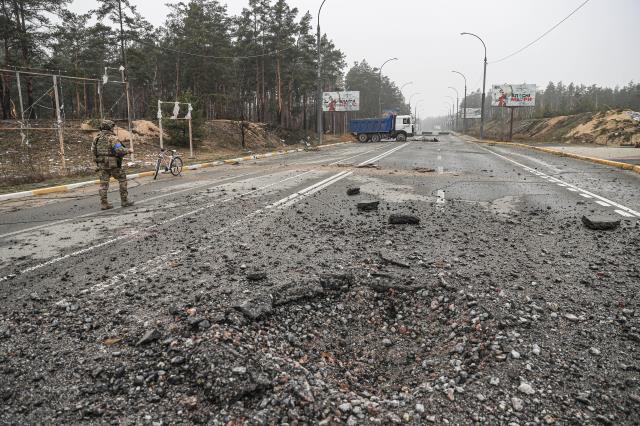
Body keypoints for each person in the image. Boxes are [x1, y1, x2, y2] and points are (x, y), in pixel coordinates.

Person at [91, 120, 134, 210]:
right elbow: (119, 150)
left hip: (101, 164)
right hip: (112, 164)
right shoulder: (112, 138)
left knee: (103, 184)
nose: (113, 128)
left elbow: (93, 151)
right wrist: (129, 151)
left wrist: (98, 161)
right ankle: (124, 201)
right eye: (112, 127)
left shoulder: (97, 138)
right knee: (122, 178)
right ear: (109, 127)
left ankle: (104, 203)